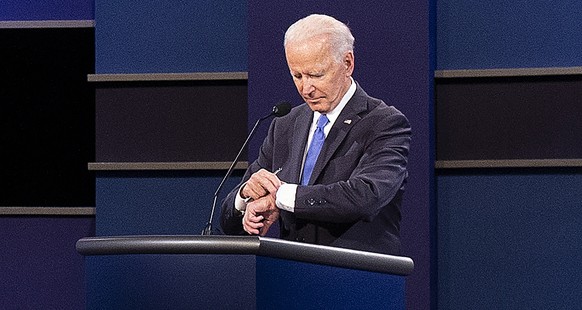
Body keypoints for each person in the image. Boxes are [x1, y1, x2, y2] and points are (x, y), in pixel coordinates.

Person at [220, 14, 411, 255]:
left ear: (347, 63)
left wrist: (281, 196)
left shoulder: (384, 123)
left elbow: (366, 196)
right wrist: (246, 196)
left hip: (357, 280)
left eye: (316, 75)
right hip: (294, 278)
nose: (306, 88)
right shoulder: (285, 125)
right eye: (297, 76)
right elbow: (228, 221)